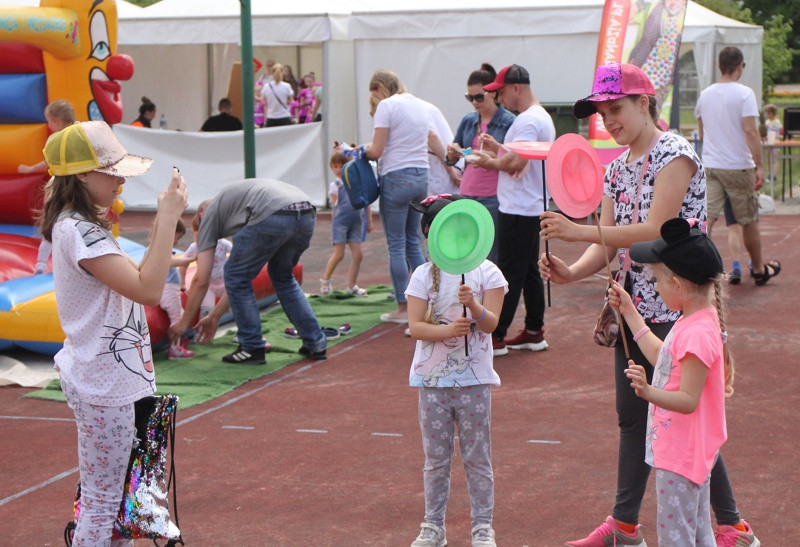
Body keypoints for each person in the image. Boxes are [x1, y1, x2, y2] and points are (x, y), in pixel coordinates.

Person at [539, 62, 758, 546]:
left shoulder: (675, 153)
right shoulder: (615, 167)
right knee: (636, 418)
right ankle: (629, 525)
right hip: (636, 308)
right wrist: (573, 269)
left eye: (615, 108)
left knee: (683, 417)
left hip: (681, 306)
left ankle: (730, 525)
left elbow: (656, 229)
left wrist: (577, 231)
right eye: (601, 112)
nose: (608, 120)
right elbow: (610, 244)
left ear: (644, 103)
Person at [39, 120, 187, 544]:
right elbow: (148, 288)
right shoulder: (81, 230)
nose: (120, 177)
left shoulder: (79, 225)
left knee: (117, 499)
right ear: (82, 175)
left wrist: (166, 230)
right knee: (105, 502)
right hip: (106, 384)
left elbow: (139, 273)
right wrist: (169, 214)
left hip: (111, 380)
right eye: (111, 170)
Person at [608, 217, 732, 545]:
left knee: (677, 537)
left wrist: (649, 392)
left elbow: (688, 398)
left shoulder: (696, 333)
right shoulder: (694, 320)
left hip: (682, 456)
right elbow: (664, 357)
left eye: (658, 283)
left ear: (678, 284)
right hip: (685, 452)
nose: (657, 289)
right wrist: (631, 313)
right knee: (699, 532)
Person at [405, 195, 507, 547]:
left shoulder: (488, 272)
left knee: (478, 456)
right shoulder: (422, 275)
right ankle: (433, 526)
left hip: (474, 381)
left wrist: (474, 306)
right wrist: (449, 331)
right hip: (432, 383)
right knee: (436, 459)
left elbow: (492, 324)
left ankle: (482, 526)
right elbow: (416, 326)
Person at [168, 179, 327, 365]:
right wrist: (215, 315)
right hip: (306, 212)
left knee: (236, 276)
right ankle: (315, 341)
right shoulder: (237, 208)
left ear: (201, 216)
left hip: (272, 212)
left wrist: (184, 323)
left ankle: (251, 346)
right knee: (283, 277)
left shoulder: (210, 218)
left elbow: (202, 280)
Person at [469, 64, 555, 356]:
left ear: (516, 88)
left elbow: (517, 162)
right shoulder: (536, 118)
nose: (498, 98)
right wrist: (499, 150)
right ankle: (533, 330)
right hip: (530, 205)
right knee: (528, 270)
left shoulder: (527, 121)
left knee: (509, 272)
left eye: (500, 91)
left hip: (519, 207)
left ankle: (497, 334)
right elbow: (520, 158)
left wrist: (487, 161)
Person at [695, 46, 781, 287]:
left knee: (707, 219)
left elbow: (702, 133)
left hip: (711, 165)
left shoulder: (705, 95)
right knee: (748, 219)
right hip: (738, 166)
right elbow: (751, 131)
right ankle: (758, 268)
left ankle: (700, 268)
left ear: (720, 66)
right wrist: (760, 165)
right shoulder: (745, 94)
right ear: (740, 66)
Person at [363, 69, 438, 324]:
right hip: (421, 176)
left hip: (396, 177)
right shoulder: (419, 104)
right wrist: (450, 160)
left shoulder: (386, 106)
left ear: (379, 88)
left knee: (395, 244)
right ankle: (426, 302)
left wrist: (359, 151)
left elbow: (376, 150)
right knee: (413, 241)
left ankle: (403, 308)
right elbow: (432, 138)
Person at [446, 63, 516, 264]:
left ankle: (490, 295)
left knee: (490, 254)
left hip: (493, 196)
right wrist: (452, 154)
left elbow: (514, 159)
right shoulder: (469, 120)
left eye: (479, 97)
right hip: (467, 192)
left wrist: (495, 153)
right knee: (466, 249)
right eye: (470, 97)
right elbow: (453, 155)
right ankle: (471, 292)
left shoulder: (509, 121)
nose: (474, 102)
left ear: (493, 93)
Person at [320, 150, 372, 297]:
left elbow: (366, 202)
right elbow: (334, 205)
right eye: (335, 166)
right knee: (339, 254)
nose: (338, 170)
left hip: (355, 222)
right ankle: (325, 279)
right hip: (340, 223)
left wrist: (368, 221)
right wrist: (334, 224)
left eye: (341, 166)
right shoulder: (335, 185)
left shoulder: (356, 183)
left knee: (358, 255)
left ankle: (351, 286)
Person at [180, 205, 232, 320]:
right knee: (206, 309)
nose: (200, 240)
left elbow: (236, 252)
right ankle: (201, 333)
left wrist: (231, 265)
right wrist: (182, 283)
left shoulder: (222, 244)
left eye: (204, 236)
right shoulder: (194, 247)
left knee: (236, 303)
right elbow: (183, 265)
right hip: (207, 285)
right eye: (197, 236)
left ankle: (242, 331)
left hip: (224, 283)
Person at [159, 219, 197, 360]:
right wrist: (190, 259)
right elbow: (171, 261)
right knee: (178, 319)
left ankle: (178, 343)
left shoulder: (158, 247)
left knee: (179, 315)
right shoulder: (161, 248)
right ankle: (174, 349)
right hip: (168, 291)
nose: (176, 242)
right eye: (177, 238)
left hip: (169, 289)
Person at [19, 99, 76, 174]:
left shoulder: (56, 139)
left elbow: (49, 162)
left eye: (48, 121)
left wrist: (30, 169)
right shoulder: (81, 130)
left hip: (68, 179)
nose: (48, 125)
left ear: (55, 121)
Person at [763, 103, 782, 181]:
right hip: (768, 143)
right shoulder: (767, 122)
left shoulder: (776, 122)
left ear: (770, 113)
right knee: (769, 160)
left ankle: (774, 175)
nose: (765, 115)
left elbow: (780, 132)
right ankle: (770, 174)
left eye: (766, 113)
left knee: (774, 159)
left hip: (775, 143)